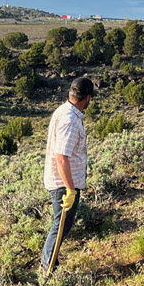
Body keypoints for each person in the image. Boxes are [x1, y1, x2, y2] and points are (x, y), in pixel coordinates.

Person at [40, 76, 95, 273]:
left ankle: (50, 263)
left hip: (62, 180)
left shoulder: (64, 111)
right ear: (87, 98)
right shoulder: (70, 120)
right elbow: (61, 156)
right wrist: (70, 189)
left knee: (62, 223)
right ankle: (48, 268)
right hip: (63, 183)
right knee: (61, 225)